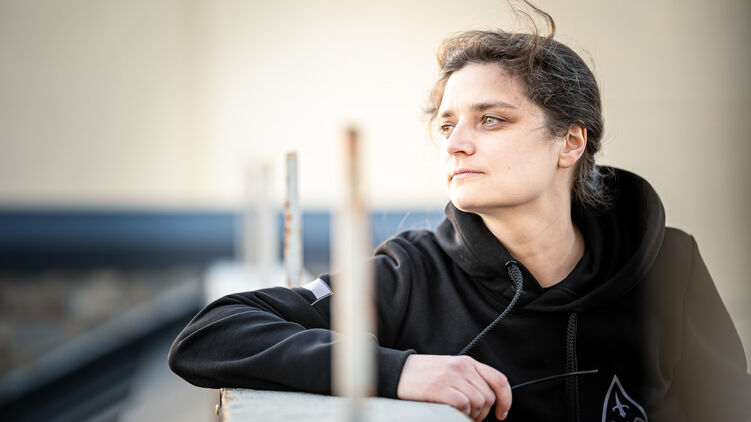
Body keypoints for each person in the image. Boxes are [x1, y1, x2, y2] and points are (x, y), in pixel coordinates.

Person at [168, 5, 751, 422]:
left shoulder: (667, 264)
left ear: (570, 142)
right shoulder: (411, 274)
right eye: (447, 125)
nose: (455, 144)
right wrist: (398, 371)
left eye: (490, 119)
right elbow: (211, 335)